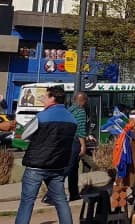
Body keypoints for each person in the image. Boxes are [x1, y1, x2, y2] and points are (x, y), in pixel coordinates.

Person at [11, 85, 76, 224]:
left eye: (46, 97)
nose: (43, 100)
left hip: (36, 166)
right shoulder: (72, 119)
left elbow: (24, 135)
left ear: (53, 98)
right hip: (58, 166)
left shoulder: (42, 116)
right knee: (61, 201)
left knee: (27, 203)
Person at [66, 92, 88, 202]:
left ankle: (74, 193)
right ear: (83, 101)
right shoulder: (80, 111)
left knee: (72, 168)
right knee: (71, 168)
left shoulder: (69, 110)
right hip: (75, 142)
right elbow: (80, 130)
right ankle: (52, 192)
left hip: (67, 140)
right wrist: (83, 145)